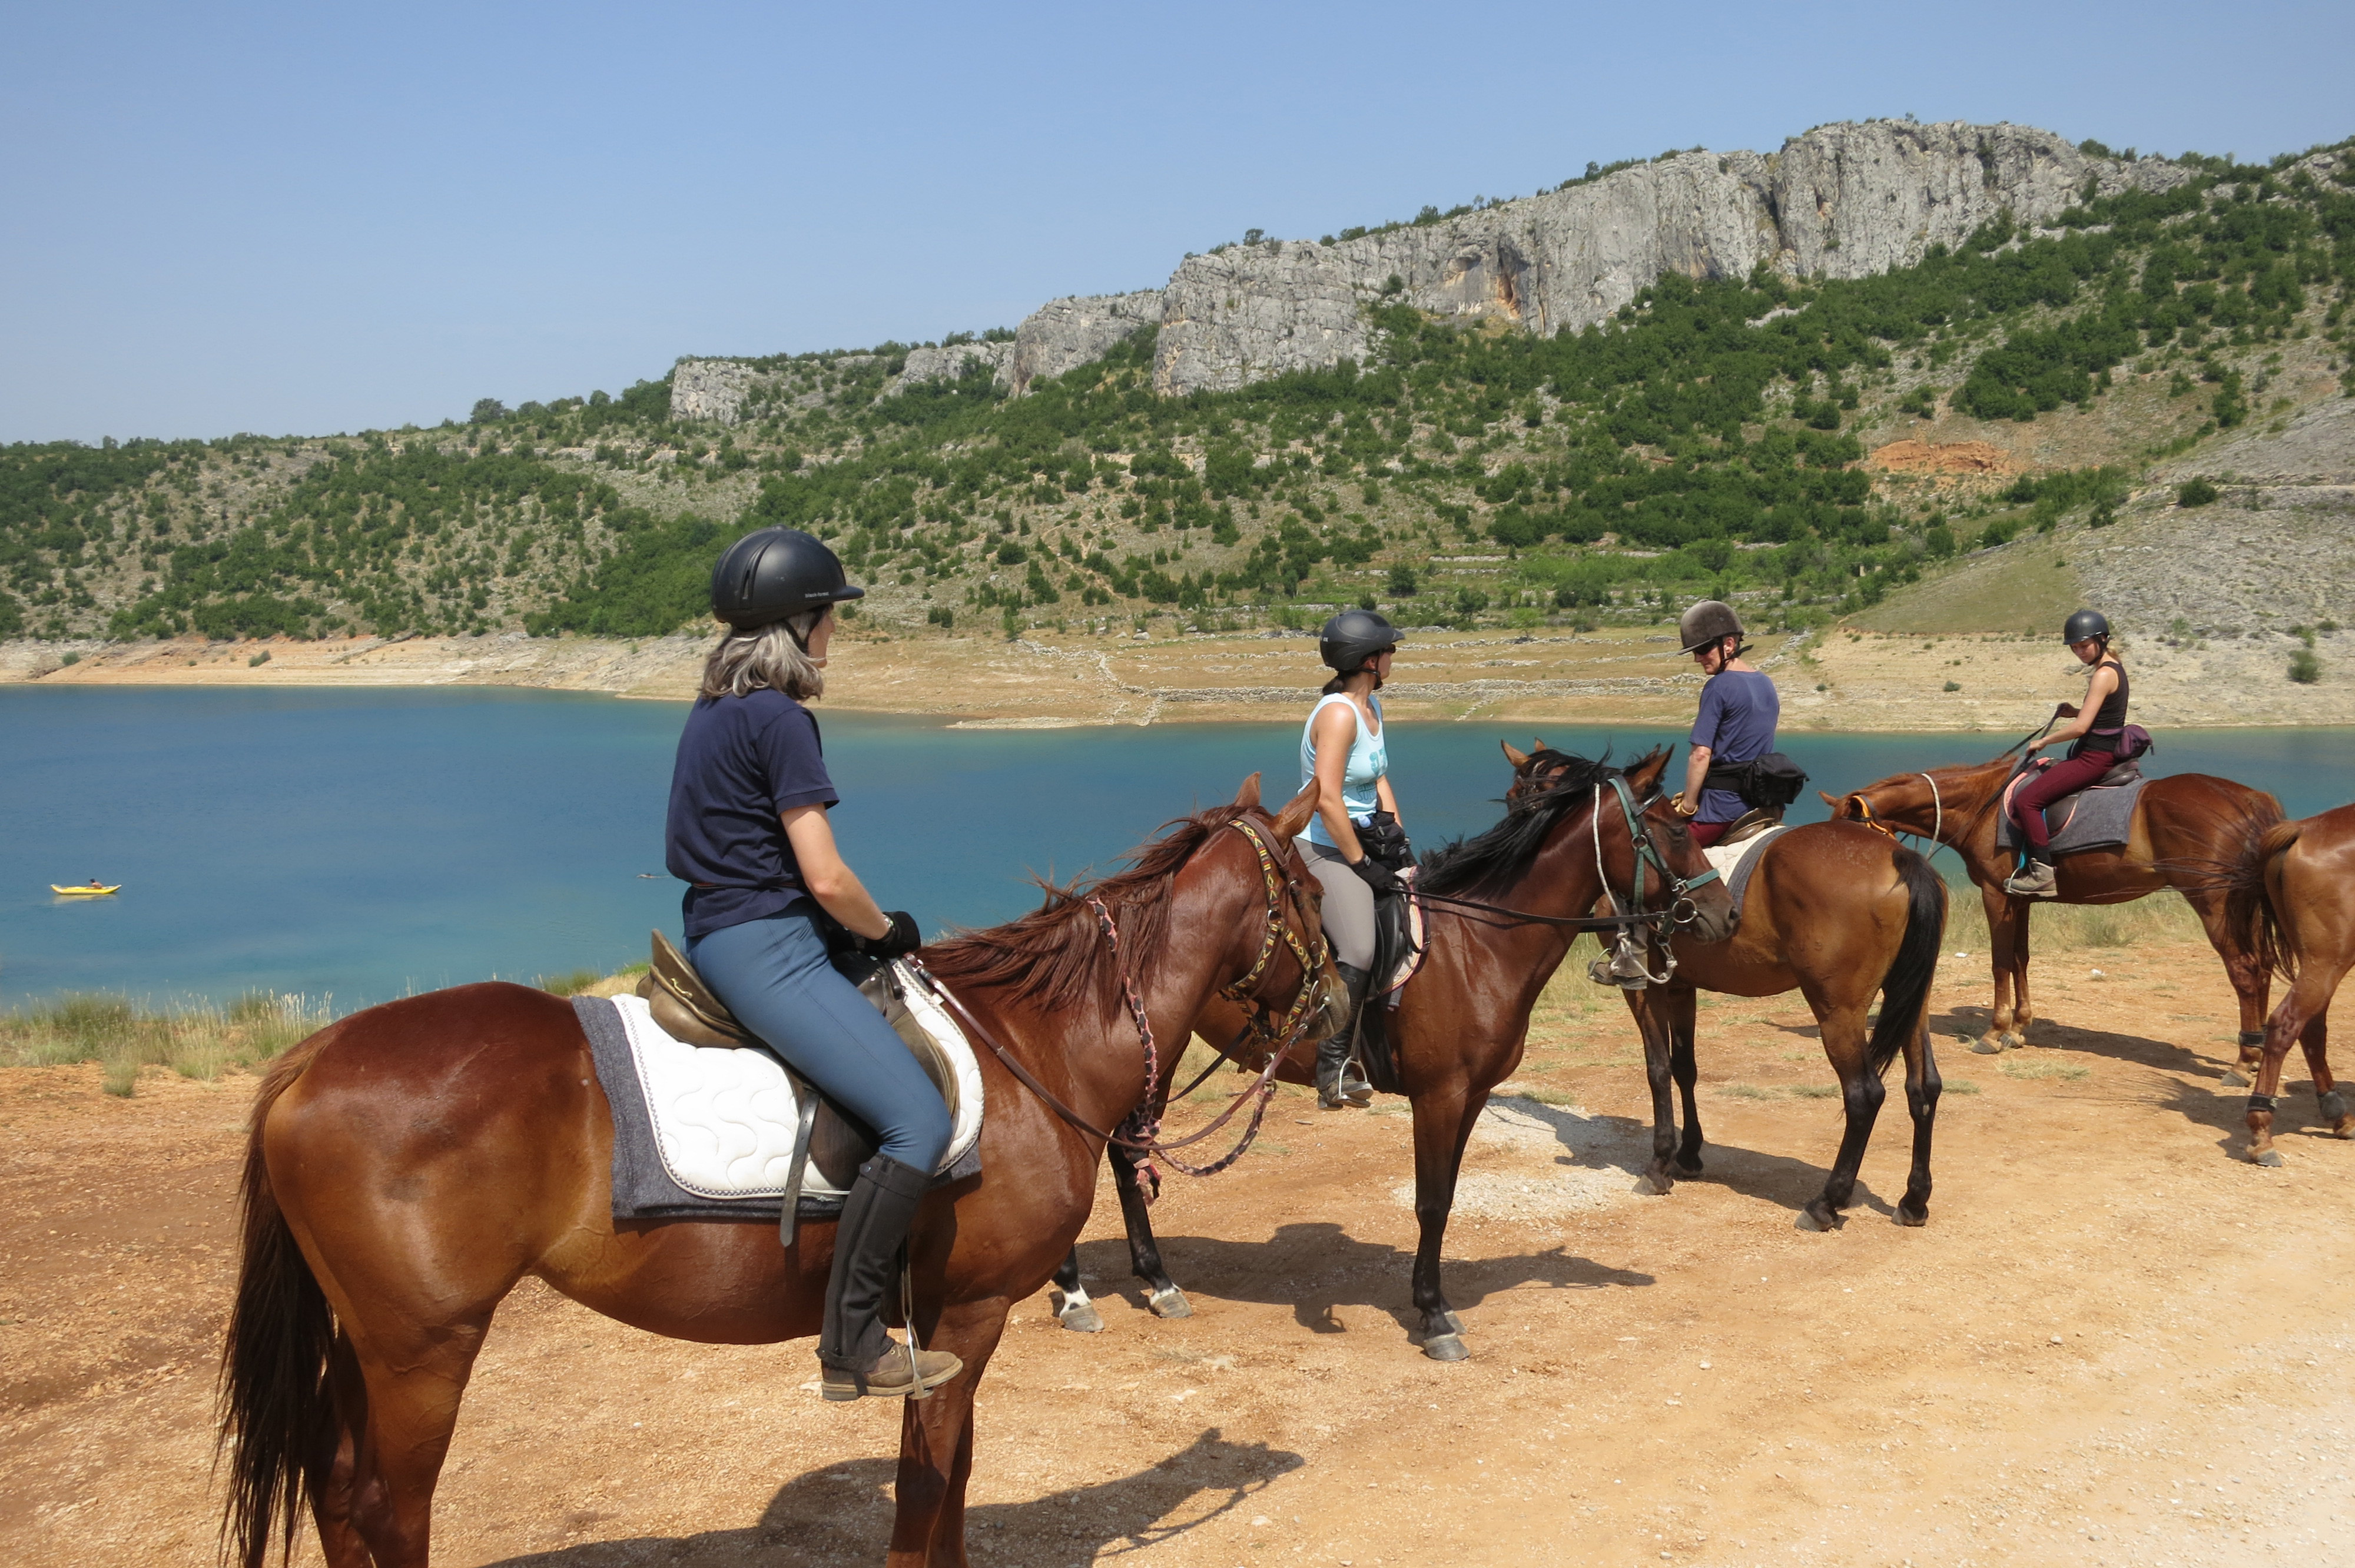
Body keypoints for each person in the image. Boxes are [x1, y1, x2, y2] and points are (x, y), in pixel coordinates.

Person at [665, 526, 961, 1402]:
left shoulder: (716, 709)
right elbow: (826, 877)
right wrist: (890, 929)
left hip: (721, 926)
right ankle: (854, 1342)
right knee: (917, 1121)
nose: (837, 629)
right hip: (768, 941)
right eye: (831, 614)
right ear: (801, 622)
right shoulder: (783, 719)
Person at [1298, 609, 1409, 1110]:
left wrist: (1399, 841)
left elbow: (1378, 778)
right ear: (1369, 660)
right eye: (1389, 651)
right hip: (1324, 844)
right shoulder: (1339, 714)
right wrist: (1363, 865)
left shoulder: (1373, 711)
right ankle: (1334, 1067)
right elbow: (1326, 798)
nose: (1393, 657)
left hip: (1367, 837)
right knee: (1360, 948)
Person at [2004, 609, 2130, 899]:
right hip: (2100, 752)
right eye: (2074, 648)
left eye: (2083, 646)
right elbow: (2101, 716)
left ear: (2101, 640)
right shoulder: (2114, 667)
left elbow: (2083, 727)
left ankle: (2043, 874)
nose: (2079, 652)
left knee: (2028, 800)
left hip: (2094, 758)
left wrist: (2044, 741)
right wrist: (2072, 711)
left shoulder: (2103, 675)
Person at [1673, 600, 1780, 849]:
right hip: (1764, 806)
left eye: (1704, 649)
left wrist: (1688, 806)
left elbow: (1700, 755)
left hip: (1722, 810)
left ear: (1729, 644)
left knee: (1656, 856)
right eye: (1694, 652)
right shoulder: (1766, 683)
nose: (1698, 658)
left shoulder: (1717, 687)